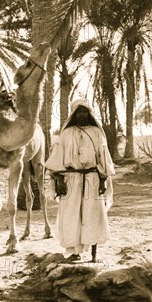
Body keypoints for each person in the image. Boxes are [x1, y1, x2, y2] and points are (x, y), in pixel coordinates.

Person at [44, 98, 115, 262]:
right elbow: (57, 161)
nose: (81, 115)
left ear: (88, 114)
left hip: (92, 178)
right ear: (74, 114)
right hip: (71, 179)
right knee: (72, 215)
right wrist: (59, 181)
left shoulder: (97, 133)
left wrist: (103, 180)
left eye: (84, 112)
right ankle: (75, 252)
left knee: (92, 214)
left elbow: (103, 159)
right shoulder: (66, 134)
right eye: (78, 112)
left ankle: (94, 254)